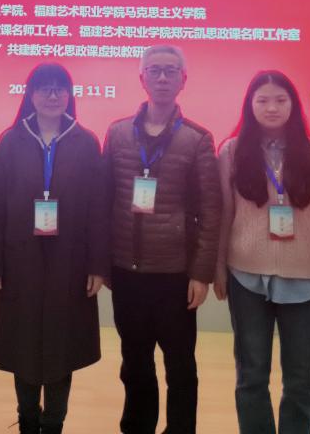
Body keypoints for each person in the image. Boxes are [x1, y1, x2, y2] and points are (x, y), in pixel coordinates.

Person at [214, 70, 310, 434]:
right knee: (251, 376)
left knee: (301, 380)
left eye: (280, 100)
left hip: (306, 285)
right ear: (250, 105)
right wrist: (218, 270)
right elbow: (222, 215)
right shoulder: (231, 152)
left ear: (294, 105)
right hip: (246, 280)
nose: (271, 107)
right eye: (262, 100)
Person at [0, 63, 111, 434]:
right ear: (31, 95)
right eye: (44, 88)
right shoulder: (10, 140)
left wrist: (98, 265)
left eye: (59, 88)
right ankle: (27, 420)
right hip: (20, 260)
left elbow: (98, 208)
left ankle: (54, 423)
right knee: (22, 345)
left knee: (62, 347)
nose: (52, 95)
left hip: (71, 260)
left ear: (69, 95)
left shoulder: (86, 142)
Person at [103, 44, 222, 434]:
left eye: (171, 71)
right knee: (134, 363)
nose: (162, 78)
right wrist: (102, 264)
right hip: (127, 272)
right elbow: (104, 201)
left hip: (175, 275)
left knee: (180, 367)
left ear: (183, 80)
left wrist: (201, 274)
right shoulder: (118, 133)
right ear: (142, 79)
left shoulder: (197, 138)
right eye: (154, 70)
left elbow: (211, 211)